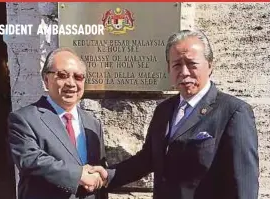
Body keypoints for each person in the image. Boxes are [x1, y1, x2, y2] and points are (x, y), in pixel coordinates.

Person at [91, 30, 259, 199]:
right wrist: (109, 175)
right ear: (168, 68)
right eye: (177, 65)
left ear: (210, 65)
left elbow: (244, 184)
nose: (184, 72)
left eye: (192, 64)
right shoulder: (164, 110)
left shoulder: (233, 112)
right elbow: (148, 158)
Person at [8, 48, 107, 199]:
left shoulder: (92, 124)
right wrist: (78, 174)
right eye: (62, 75)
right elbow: (30, 160)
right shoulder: (24, 119)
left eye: (78, 77)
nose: (71, 83)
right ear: (46, 80)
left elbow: (97, 172)